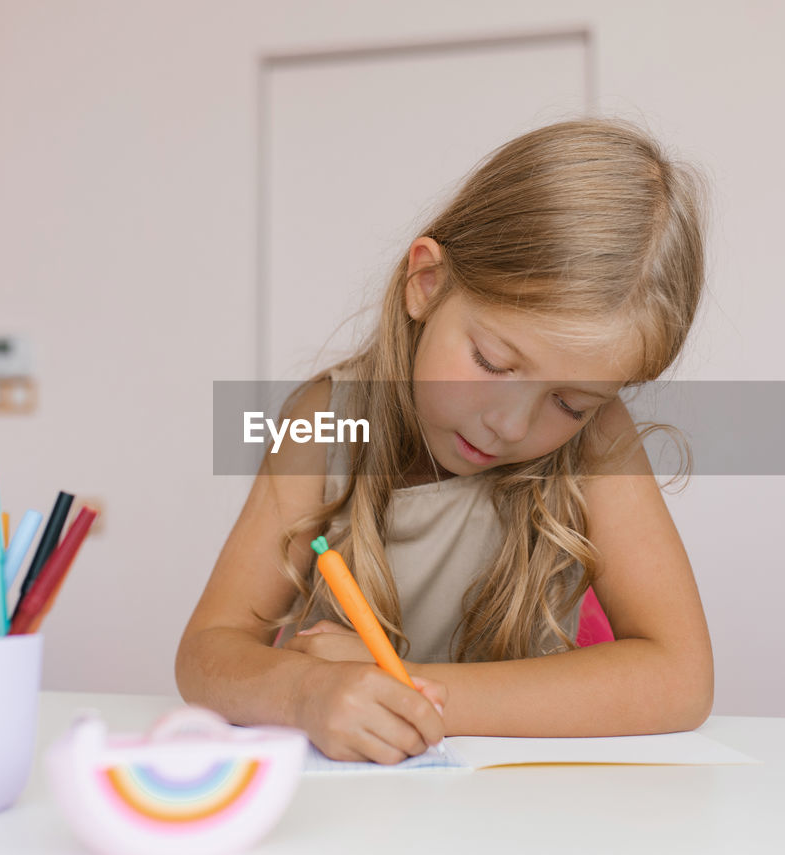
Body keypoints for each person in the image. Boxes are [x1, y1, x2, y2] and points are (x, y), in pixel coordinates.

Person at [176, 117, 714, 764]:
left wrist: (411, 692)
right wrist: (304, 690)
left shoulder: (598, 439)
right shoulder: (324, 422)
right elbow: (207, 650)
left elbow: (681, 677)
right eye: (492, 360)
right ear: (426, 284)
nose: (510, 426)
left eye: (568, 402)